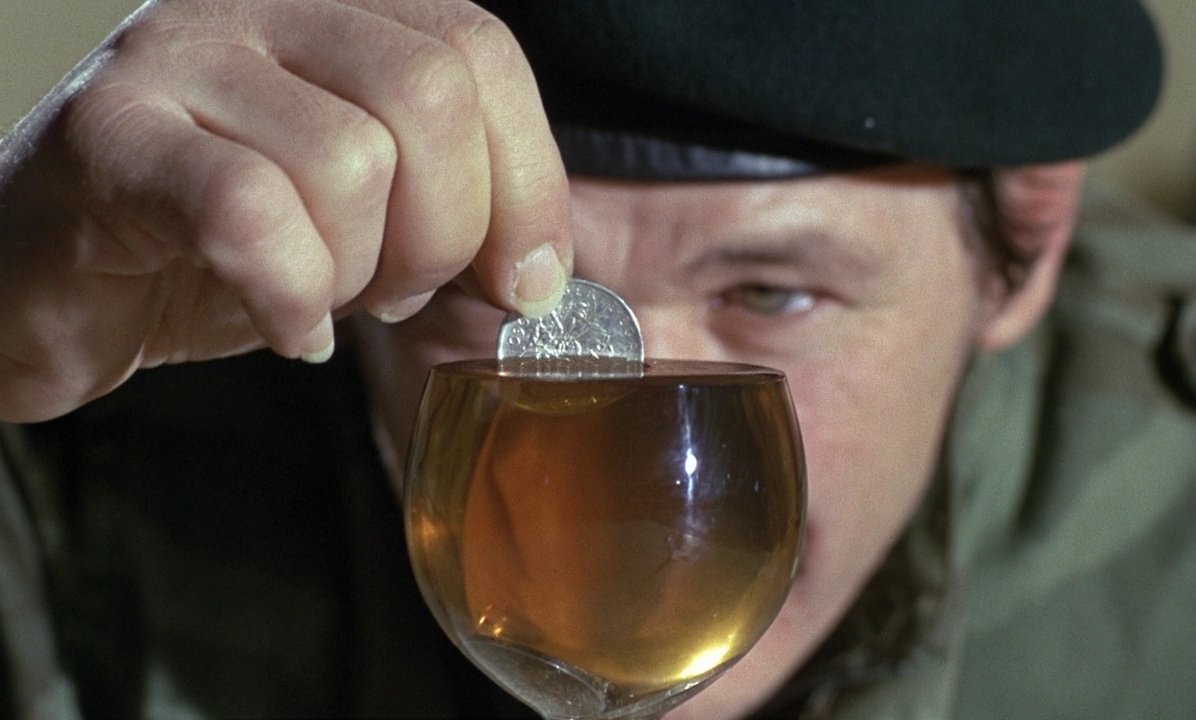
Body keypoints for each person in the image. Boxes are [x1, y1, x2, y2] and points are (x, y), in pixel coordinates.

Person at [1, 0, 1193, 717]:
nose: (634, 493)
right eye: (487, 294)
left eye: (770, 295)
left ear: (1022, 245)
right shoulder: (112, 408)